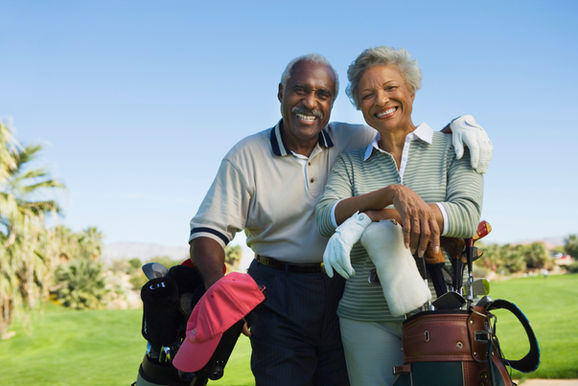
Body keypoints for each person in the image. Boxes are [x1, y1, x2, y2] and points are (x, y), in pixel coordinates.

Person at [188, 53, 490, 386]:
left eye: (322, 94)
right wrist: (220, 293)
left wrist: (462, 121)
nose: (310, 102)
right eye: (300, 90)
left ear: (332, 102)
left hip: (340, 283)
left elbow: (404, 130)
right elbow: (208, 232)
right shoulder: (248, 155)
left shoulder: (354, 139)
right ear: (280, 93)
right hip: (277, 289)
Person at [315, 46, 484, 385]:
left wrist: (366, 217)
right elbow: (325, 218)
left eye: (391, 87)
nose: (381, 100)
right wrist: (393, 194)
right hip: (364, 318)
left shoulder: (455, 147)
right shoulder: (350, 163)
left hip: (441, 314)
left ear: (410, 89)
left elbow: (465, 215)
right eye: (367, 94)